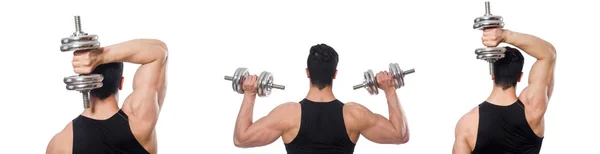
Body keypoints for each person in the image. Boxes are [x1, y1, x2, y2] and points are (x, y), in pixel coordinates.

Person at [233, 44, 410, 154]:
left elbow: (241, 139)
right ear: (335, 74)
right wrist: (390, 90)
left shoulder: (287, 114)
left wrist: (249, 94)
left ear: (307, 73)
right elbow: (400, 135)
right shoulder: (354, 114)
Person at [46, 39, 169, 154]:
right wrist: (102, 57)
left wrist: (98, 57)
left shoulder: (60, 143)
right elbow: (159, 51)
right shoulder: (139, 120)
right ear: (121, 83)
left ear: (85, 83)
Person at [452, 28, 556, 154]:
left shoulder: (467, 123)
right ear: (520, 76)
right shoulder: (532, 109)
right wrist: (505, 35)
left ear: (493, 75)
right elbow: (548, 54)